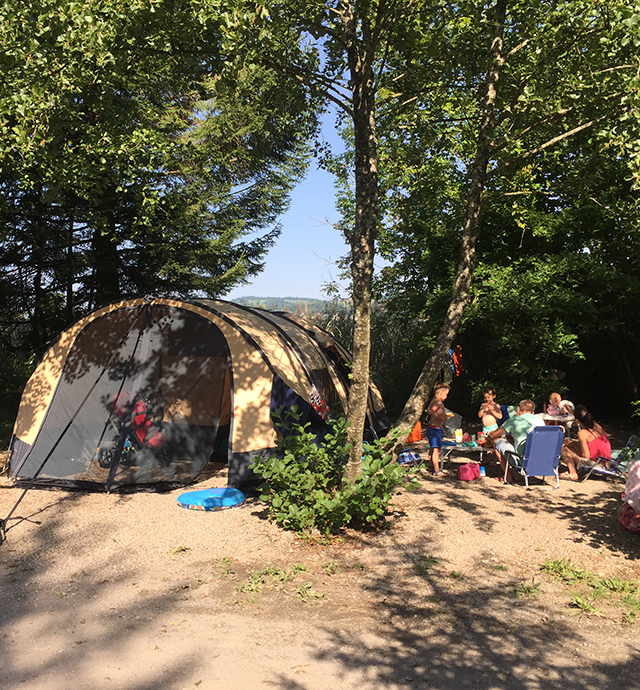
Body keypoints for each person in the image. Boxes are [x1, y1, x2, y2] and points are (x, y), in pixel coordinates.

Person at [487, 399, 545, 483]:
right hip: (542, 460)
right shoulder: (540, 420)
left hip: (523, 461)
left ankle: (508, 476)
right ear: (533, 412)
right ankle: (517, 475)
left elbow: (493, 435)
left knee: (496, 441)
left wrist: (490, 435)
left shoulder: (514, 421)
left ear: (518, 409)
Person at [560, 404, 611, 481]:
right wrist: (574, 444)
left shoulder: (582, 433)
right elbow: (593, 446)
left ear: (577, 421)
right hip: (607, 463)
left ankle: (572, 473)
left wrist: (573, 445)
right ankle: (573, 471)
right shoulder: (597, 426)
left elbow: (586, 456)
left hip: (597, 465)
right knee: (570, 446)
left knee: (564, 449)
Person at [426, 382, 451, 477]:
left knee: (433, 448)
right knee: (436, 449)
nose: (446, 397)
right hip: (434, 428)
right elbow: (430, 410)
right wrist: (439, 417)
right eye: (446, 394)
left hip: (434, 427)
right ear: (440, 394)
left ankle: (431, 466)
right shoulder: (438, 402)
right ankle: (437, 470)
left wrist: (443, 417)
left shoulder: (435, 400)